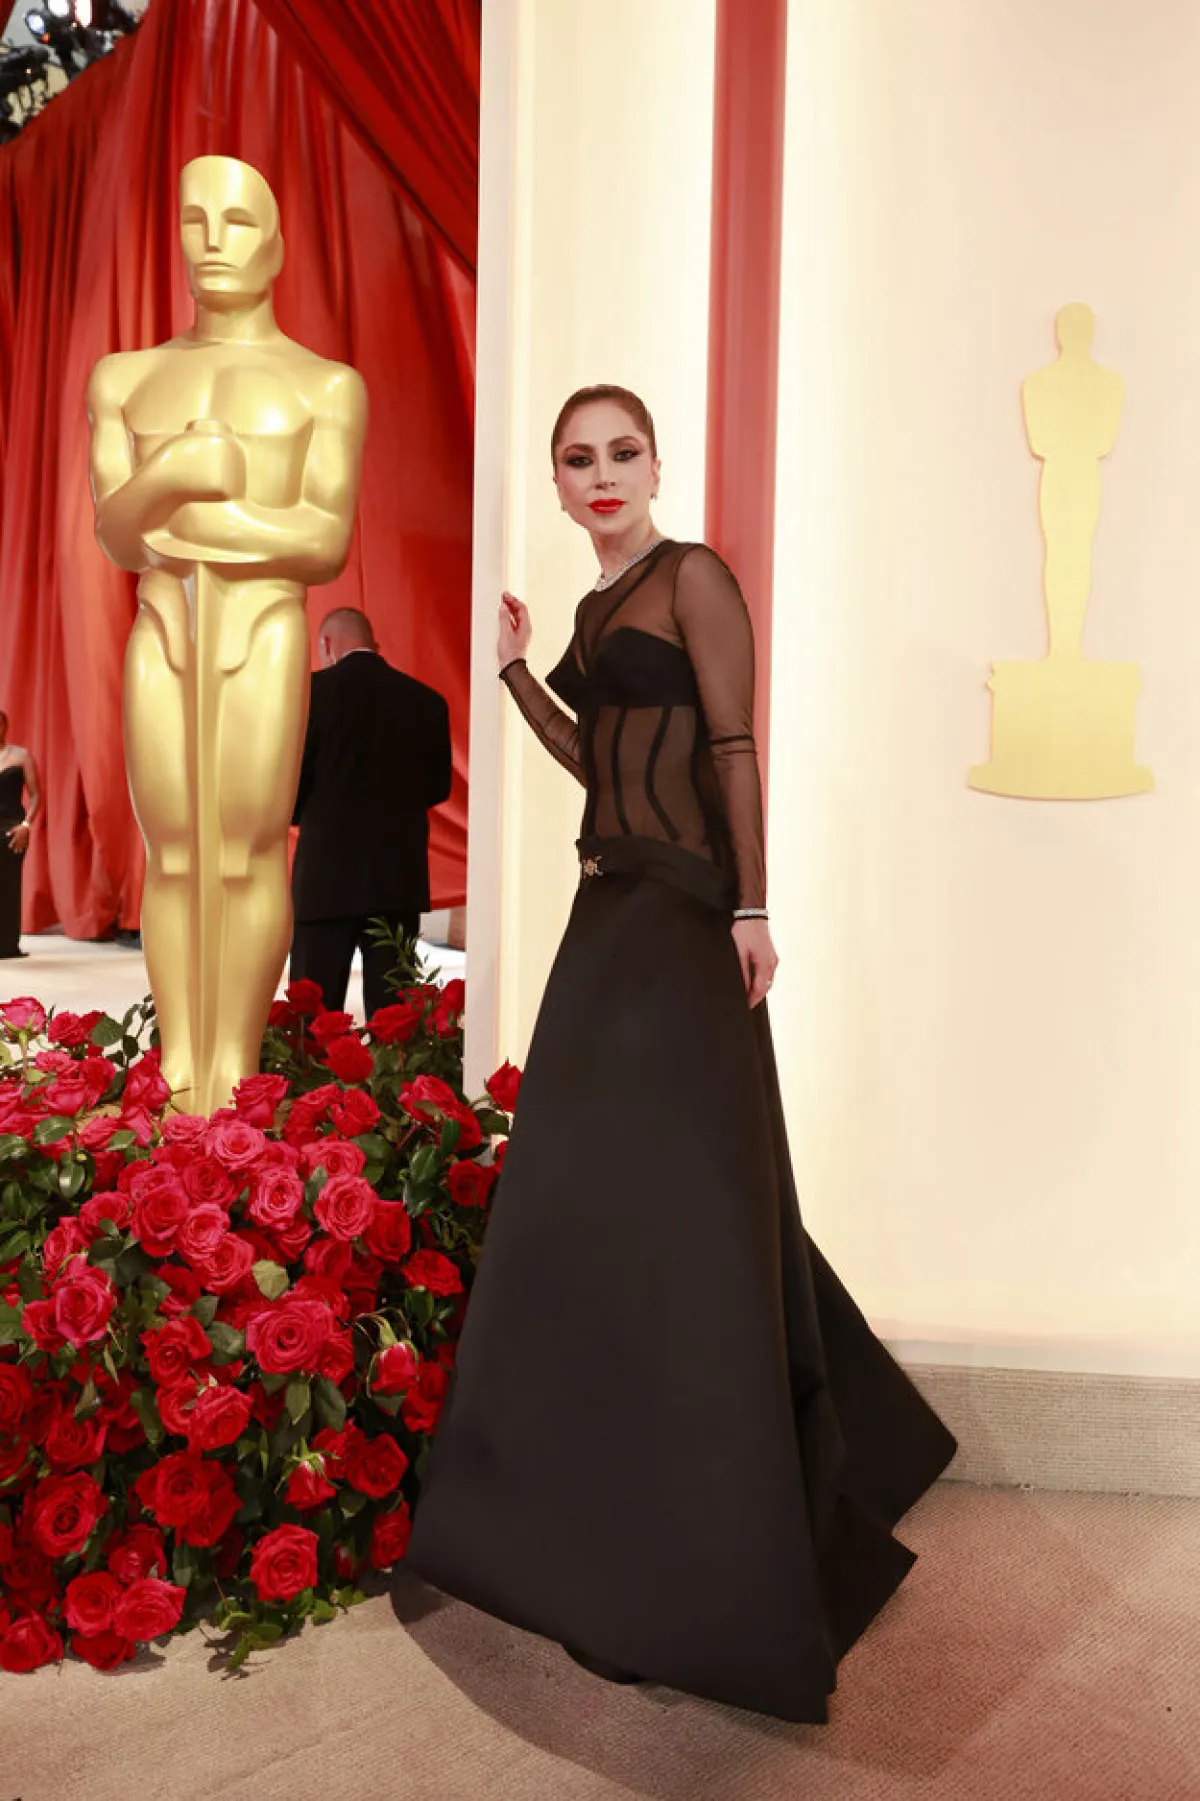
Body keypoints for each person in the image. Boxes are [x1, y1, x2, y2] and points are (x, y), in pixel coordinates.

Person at [406, 386, 957, 1724]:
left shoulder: (693, 576)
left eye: (623, 454)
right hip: (612, 908)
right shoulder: (599, 612)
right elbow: (599, 762)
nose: (603, 476)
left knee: (692, 1194)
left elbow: (730, 746)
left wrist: (755, 906)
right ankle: (583, 1493)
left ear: (658, 463)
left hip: (690, 915)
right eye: (579, 460)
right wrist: (517, 674)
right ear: (557, 483)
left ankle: (726, 1522)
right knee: (588, 1188)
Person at [290, 607, 452, 1016]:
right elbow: (438, 787)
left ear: (325, 645)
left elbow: (289, 787)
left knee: (313, 1017)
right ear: (374, 646)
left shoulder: (306, 698)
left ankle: (309, 1083)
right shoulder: (427, 703)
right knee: (393, 1021)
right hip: (397, 881)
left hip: (324, 881)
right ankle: (397, 1084)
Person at [0, 712, 40, 960]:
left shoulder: (21, 755)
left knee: (9, 886)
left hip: (13, 828)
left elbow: (36, 795)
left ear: (5, 726)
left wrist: (27, 824)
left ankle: (6, 945)